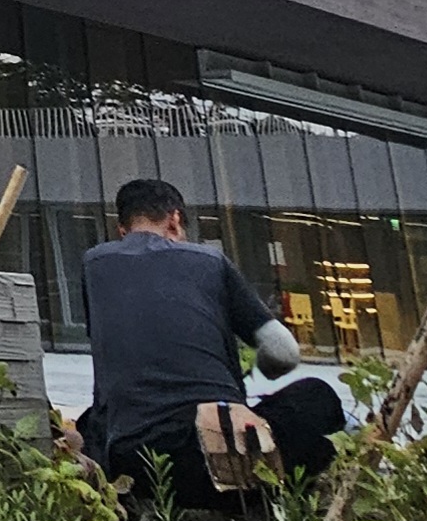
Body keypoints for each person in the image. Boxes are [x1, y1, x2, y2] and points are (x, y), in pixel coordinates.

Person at [80, 177, 345, 505]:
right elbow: (284, 352)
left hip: (133, 460)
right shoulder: (209, 260)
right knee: (317, 397)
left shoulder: (94, 263)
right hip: (216, 454)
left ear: (122, 230)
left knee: (93, 418)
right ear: (175, 220)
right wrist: (241, 380)